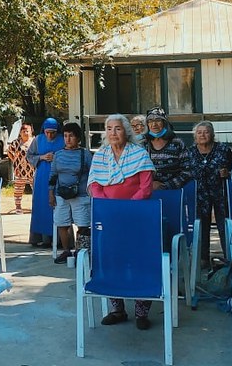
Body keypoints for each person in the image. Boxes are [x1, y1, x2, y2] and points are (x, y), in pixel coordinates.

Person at [87, 114, 156, 330]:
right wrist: (109, 208)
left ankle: (141, 312)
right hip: (109, 218)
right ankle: (117, 309)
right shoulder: (100, 155)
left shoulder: (139, 154)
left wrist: (126, 208)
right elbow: (95, 184)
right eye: (109, 128)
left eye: (118, 128)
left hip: (136, 217)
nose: (113, 132)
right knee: (110, 260)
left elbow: (145, 188)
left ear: (126, 131)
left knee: (137, 261)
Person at [182, 121, 232, 265]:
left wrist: (227, 173)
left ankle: (229, 256)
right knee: (201, 225)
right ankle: (202, 258)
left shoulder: (223, 149)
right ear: (195, 136)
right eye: (199, 132)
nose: (202, 135)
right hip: (199, 195)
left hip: (220, 193)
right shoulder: (189, 152)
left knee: (224, 225)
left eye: (206, 132)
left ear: (212, 134)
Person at [49, 122, 93, 265]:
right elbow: (53, 174)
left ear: (78, 138)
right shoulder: (58, 155)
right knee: (62, 222)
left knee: (83, 224)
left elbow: (93, 174)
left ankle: (81, 251)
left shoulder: (85, 154)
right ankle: (66, 250)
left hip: (80, 195)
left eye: (71, 136)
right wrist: (51, 193)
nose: (68, 139)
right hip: (60, 194)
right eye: (66, 136)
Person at [26, 118, 64, 248]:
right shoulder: (38, 140)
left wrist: (56, 158)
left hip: (58, 175)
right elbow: (29, 156)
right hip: (42, 176)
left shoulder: (62, 139)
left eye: (52, 132)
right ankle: (42, 238)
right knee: (41, 205)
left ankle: (59, 239)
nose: (49, 135)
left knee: (58, 206)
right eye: (47, 132)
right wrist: (41, 157)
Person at [142, 107, 190, 190]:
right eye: (150, 121)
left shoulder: (177, 143)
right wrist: (149, 184)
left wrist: (165, 185)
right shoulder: (143, 144)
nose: (154, 124)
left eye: (158, 120)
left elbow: (188, 171)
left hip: (174, 191)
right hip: (147, 190)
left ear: (164, 123)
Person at [7, 123, 36, 214]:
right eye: (23, 131)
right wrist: (15, 160)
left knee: (36, 189)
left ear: (31, 132)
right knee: (18, 190)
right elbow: (9, 152)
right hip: (20, 171)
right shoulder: (16, 142)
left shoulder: (35, 142)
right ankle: (18, 206)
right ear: (20, 133)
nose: (25, 133)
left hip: (33, 170)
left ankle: (36, 206)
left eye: (27, 131)